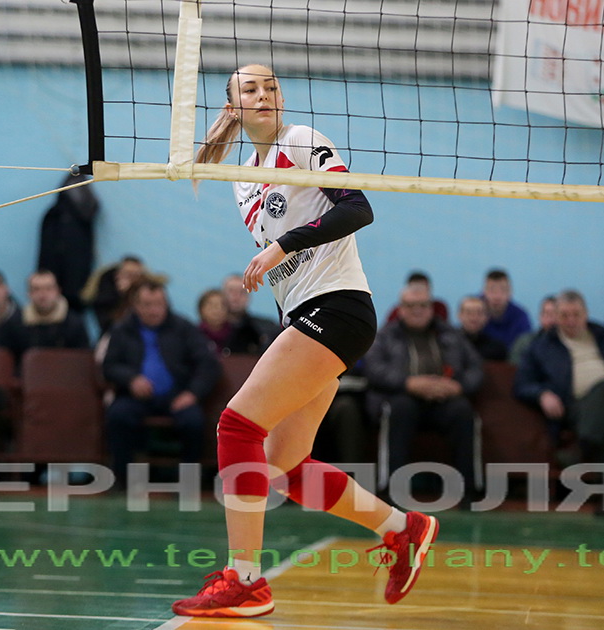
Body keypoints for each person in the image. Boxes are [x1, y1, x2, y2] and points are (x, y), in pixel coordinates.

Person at [171, 64, 438, 618]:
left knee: (237, 426)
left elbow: (357, 208)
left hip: (338, 307)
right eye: (250, 89)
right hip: (307, 316)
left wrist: (282, 246)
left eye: (271, 86)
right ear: (233, 107)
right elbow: (286, 276)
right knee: (286, 468)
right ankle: (402, 528)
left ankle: (246, 581)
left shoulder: (301, 140)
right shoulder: (242, 176)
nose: (264, 94)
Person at [364, 283, 484, 501]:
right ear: (401, 309)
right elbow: (373, 368)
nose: (417, 311)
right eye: (411, 306)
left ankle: (470, 490)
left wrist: (460, 386)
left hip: (444, 398)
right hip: (402, 397)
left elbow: (476, 367)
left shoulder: (450, 334)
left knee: (463, 411)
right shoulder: (386, 335)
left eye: (423, 305)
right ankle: (390, 488)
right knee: (398, 409)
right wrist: (408, 383)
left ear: (431, 308)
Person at [515, 290, 604, 473]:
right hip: (575, 408)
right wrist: (542, 394)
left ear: (586, 314)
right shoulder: (541, 346)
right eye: (564, 315)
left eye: (576, 314)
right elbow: (522, 382)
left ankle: (583, 449)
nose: (571, 320)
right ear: (556, 316)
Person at [103, 278, 221, 484]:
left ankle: (189, 481)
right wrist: (130, 379)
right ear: (136, 306)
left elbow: (208, 364)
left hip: (177, 396)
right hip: (135, 397)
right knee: (117, 416)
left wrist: (192, 393)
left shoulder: (183, 327)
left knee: (193, 421)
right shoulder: (122, 330)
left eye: (159, 304)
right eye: (147, 305)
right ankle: (122, 479)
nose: (154, 310)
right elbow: (109, 366)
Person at [21, 269, 91, 350]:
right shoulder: (18, 323)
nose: (43, 294)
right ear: (29, 293)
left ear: (58, 291)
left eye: (48, 288)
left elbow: (83, 355)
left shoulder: (74, 323)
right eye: (36, 289)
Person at [81, 255, 149, 335]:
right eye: (128, 275)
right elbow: (108, 325)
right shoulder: (104, 294)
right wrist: (123, 295)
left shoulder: (149, 294)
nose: (132, 281)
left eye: (135, 276)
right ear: (118, 275)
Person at [221, 273, 279, 354]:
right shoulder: (210, 330)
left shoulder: (267, 328)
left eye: (242, 292)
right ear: (222, 295)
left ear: (248, 297)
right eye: (231, 291)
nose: (236, 297)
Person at [480, 268, 532, 350]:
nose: (497, 296)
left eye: (503, 290)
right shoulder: (473, 312)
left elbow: (526, 347)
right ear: (484, 292)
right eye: (492, 290)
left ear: (510, 292)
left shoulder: (520, 316)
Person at [385, 270, 449, 323]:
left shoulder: (439, 308)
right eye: (415, 289)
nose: (417, 310)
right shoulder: (397, 311)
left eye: (423, 305)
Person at [509, 295, 556, 366]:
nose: (551, 319)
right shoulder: (525, 343)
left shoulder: (568, 344)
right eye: (546, 314)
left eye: (554, 314)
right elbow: (513, 366)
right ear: (540, 316)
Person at [456, 295, 507, 361]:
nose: (474, 318)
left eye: (479, 313)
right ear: (459, 316)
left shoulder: (497, 349)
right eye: (469, 313)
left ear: (487, 317)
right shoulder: (448, 345)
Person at [196, 288, 235, 355]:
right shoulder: (194, 335)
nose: (218, 310)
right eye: (212, 306)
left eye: (223, 306)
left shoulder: (238, 335)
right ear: (201, 309)